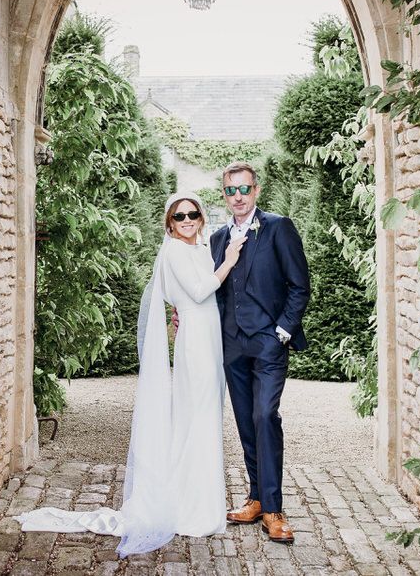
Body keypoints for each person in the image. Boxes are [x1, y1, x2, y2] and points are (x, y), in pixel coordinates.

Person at [15, 192, 247, 556]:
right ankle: (191, 508)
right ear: (170, 222)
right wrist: (230, 260)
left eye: (193, 214)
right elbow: (200, 291)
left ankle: (198, 498)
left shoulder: (199, 249)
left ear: (201, 217)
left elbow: (196, 295)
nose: (187, 220)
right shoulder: (172, 250)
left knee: (205, 418)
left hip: (210, 337)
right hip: (196, 344)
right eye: (179, 216)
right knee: (196, 417)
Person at [209, 161, 310, 544]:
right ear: (224, 194)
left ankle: (274, 509)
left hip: (269, 341)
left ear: (256, 190)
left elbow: (300, 284)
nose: (238, 197)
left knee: (265, 414)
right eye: (231, 190)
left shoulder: (278, 227)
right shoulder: (218, 239)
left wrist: (282, 331)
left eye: (244, 189)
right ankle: (255, 497)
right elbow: (213, 291)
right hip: (232, 344)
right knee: (246, 422)